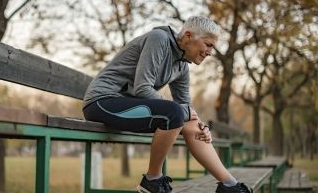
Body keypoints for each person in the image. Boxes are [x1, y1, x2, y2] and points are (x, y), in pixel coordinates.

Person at [83, 16, 250, 193]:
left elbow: (187, 107)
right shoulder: (159, 39)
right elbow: (143, 88)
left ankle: (229, 185)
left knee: (189, 121)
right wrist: (182, 111)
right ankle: (152, 180)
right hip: (102, 102)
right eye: (208, 44)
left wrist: (202, 126)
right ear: (188, 36)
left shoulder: (182, 67)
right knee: (174, 113)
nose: (210, 52)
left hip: (129, 106)